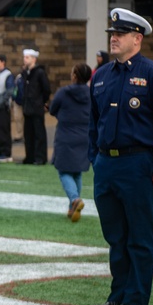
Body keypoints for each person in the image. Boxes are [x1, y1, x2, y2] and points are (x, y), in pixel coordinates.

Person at [89, 8, 153, 305]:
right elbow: (94, 123)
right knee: (115, 234)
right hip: (106, 165)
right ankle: (118, 294)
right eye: (112, 34)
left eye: (120, 34)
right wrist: (94, 159)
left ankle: (136, 298)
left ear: (137, 39)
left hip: (137, 163)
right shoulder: (100, 76)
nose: (113, 38)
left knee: (139, 234)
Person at [50, 63, 92, 222]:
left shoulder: (64, 92)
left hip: (66, 135)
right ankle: (72, 208)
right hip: (84, 136)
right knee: (77, 172)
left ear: (74, 76)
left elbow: (53, 109)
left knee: (63, 171)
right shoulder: (92, 92)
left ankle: (74, 199)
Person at [20, 48, 50, 165]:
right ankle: (30, 156)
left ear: (34, 59)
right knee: (28, 134)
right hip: (27, 108)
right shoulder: (25, 73)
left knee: (39, 134)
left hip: (36, 108)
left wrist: (41, 102)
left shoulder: (39, 73)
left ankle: (40, 157)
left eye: (27, 57)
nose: (25, 59)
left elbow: (46, 89)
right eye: (24, 57)